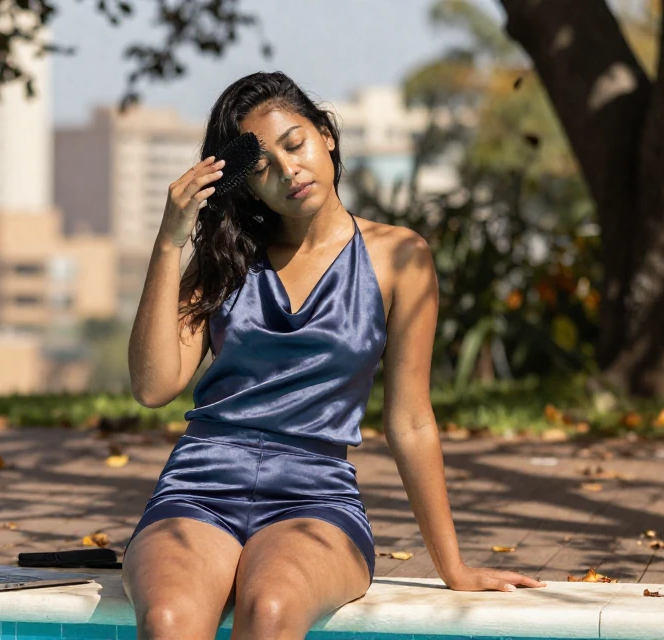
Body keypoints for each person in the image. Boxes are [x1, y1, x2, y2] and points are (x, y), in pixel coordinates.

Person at [123, 70, 545, 639]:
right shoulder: (226, 261)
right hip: (198, 488)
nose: (288, 170)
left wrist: (454, 566)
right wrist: (170, 240)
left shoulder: (400, 257)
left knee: (270, 610)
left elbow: (412, 419)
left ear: (327, 135)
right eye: (262, 168)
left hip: (314, 495)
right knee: (169, 620)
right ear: (246, 186)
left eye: (294, 145)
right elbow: (153, 387)